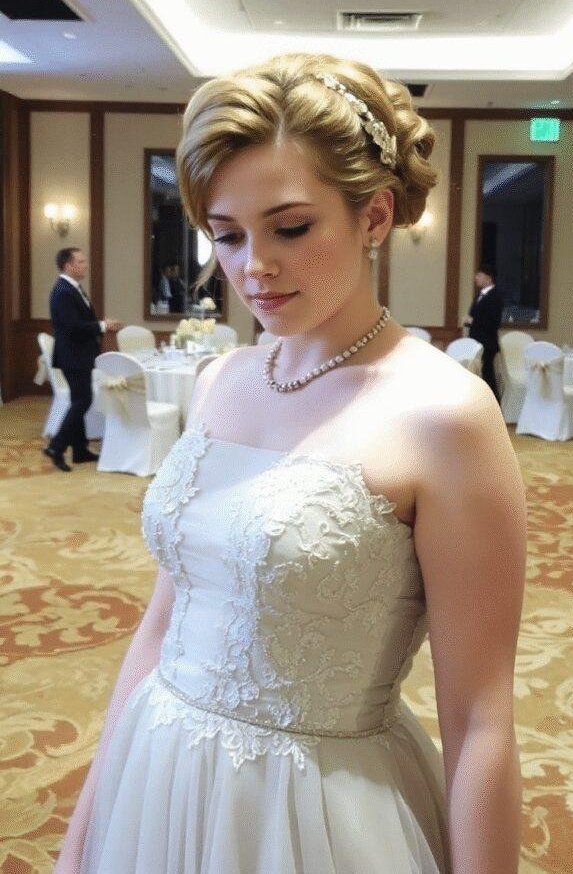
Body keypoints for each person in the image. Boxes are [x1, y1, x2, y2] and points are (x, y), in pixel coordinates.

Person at [55, 55, 526, 874]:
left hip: (316, 810)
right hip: (157, 768)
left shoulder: (442, 413)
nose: (253, 269)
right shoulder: (221, 377)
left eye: (291, 227)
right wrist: (88, 822)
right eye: (227, 236)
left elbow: (480, 715)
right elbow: (163, 624)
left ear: (374, 216)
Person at [44, 248, 122, 472]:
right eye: (81, 261)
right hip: (73, 356)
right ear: (68, 265)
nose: (86, 264)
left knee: (79, 399)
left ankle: (79, 450)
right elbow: (72, 328)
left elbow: (79, 322)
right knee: (83, 401)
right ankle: (56, 446)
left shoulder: (72, 289)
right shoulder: (63, 292)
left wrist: (100, 324)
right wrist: (102, 325)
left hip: (79, 355)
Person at [463, 264, 504, 402]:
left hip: (487, 342)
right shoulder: (479, 295)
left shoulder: (495, 296)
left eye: (479, 275)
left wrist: (473, 320)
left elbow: (493, 321)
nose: (476, 278)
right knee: (478, 374)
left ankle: (494, 403)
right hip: (476, 341)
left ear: (488, 277)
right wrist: (468, 321)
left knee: (487, 374)